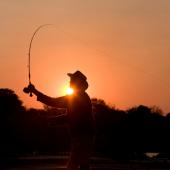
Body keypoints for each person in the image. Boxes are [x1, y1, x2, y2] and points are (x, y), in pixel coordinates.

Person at [24, 70, 94, 170]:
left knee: (73, 164)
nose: (70, 82)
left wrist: (34, 91)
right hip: (84, 136)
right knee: (83, 164)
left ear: (77, 83)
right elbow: (70, 117)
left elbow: (54, 102)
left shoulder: (77, 97)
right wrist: (49, 120)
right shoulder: (82, 97)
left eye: (72, 80)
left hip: (81, 136)